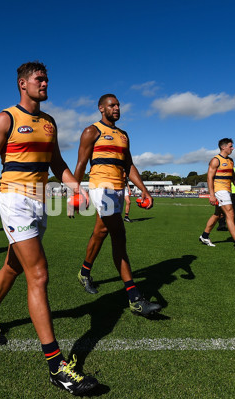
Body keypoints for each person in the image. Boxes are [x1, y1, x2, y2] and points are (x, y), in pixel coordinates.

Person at [0, 61, 98, 395]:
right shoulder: (5, 119)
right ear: (23, 84)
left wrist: (74, 186)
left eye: (47, 78)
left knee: (14, 265)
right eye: (40, 79)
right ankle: (57, 367)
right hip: (14, 201)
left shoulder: (50, 122)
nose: (46, 82)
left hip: (40, 202)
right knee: (38, 274)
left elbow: (57, 163)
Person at [72, 94, 161, 316]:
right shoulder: (92, 131)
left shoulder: (123, 135)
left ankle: (84, 273)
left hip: (119, 188)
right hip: (101, 188)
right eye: (112, 105)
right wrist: (73, 192)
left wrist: (143, 188)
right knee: (119, 235)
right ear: (101, 108)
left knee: (100, 231)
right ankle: (135, 298)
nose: (117, 108)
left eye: (119, 105)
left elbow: (128, 164)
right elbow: (81, 163)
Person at [199, 138, 235, 253]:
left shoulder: (231, 161)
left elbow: (234, 178)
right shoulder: (215, 160)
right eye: (230, 146)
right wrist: (212, 195)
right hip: (219, 190)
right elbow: (209, 178)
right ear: (223, 147)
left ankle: (204, 236)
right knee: (230, 214)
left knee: (218, 215)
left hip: (227, 190)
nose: (232, 148)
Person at [217, 166, 235, 231]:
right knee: (234, 210)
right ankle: (233, 226)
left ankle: (222, 225)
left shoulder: (224, 169)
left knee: (222, 209)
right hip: (234, 192)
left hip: (225, 191)